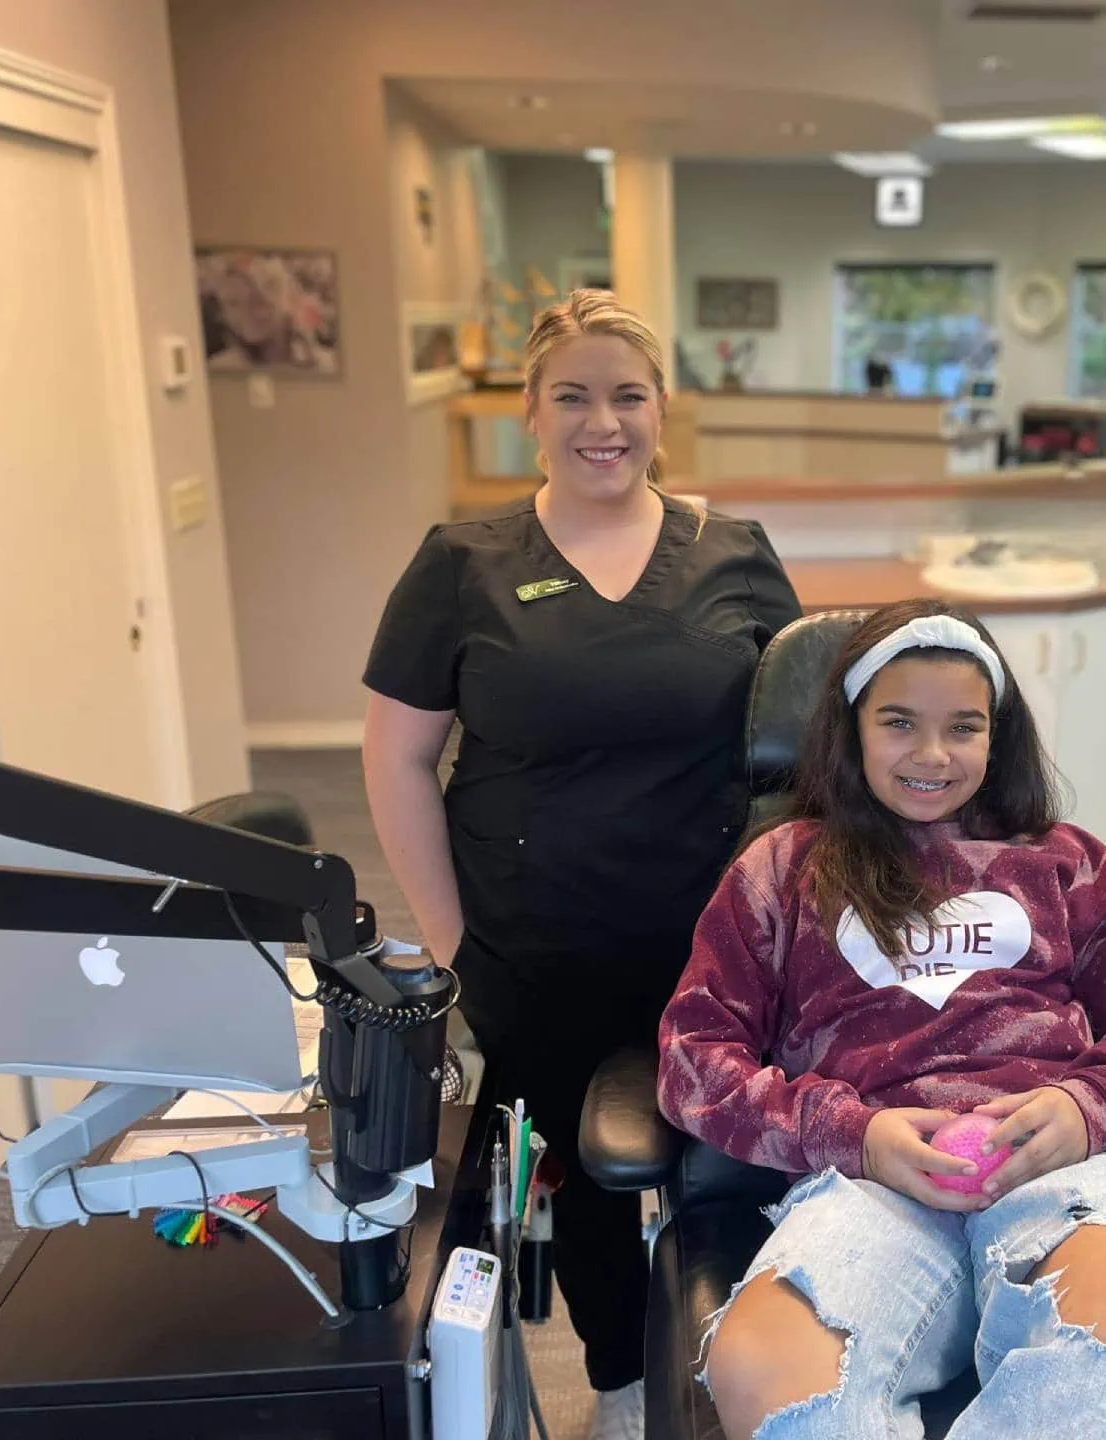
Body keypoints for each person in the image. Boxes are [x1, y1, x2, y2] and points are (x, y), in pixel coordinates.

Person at [361, 288, 801, 1440]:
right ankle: (619, 1382)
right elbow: (396, 760)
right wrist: (454, 946)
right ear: (531, 412)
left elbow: (797, 757)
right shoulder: (462, 564)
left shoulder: (736, 556)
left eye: (628, 396)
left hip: (713, 947)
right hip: (532, 945)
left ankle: (749, 1366)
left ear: (661, 410)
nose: (603, 422)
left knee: (734, 1163)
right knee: (585, 1180)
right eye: (573, 397)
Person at [657, 599, 1106, 1439]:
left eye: (963, 727)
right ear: (851, 729)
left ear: (998, 736)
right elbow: (693, 1059)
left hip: (1059, 1164)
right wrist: (853, 1135)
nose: (932, 755)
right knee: (761, 1368)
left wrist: (1086, 1108)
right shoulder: (783, 868)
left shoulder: (1065, 862)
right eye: (899, 723)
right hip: (870, 1184)